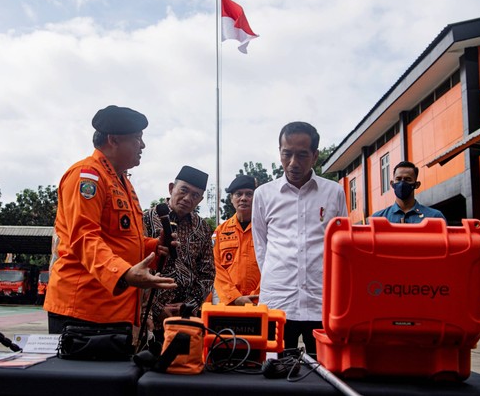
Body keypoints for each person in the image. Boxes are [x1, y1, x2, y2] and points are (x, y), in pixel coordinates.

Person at [44, 105, 176, 334]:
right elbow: (84, 237)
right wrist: (124, 273)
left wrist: (155, 248)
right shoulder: (87, 176)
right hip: (83, 310)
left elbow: (121, 240)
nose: (142, 146)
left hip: (114, 308)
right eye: (137, 138)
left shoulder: (122, 181)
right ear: (113, 140)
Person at [252, 121, 348, 357]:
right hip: (278, 301)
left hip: (321, 302)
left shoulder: (333, 192)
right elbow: (261, 244)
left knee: (324, 370)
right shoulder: (263, 194)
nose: (293, 163)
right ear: (280, 152)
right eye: (287, 154)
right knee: (276, 370)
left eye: (302, 155)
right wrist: (278, 276)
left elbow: (343, 242)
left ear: (315, 155)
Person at [143, 165, 215, 339]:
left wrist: (188, 305)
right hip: (149, 318)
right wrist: (156, 308)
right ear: (171, 188)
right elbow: (136, 267)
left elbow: (207, 273)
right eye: (184, 190)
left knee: (183, 365)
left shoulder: (203, 228)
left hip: (186, 318)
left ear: (200, 200)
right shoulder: (144, 219)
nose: (187, 198)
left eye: (195, 195)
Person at [212, 174, 260, 306]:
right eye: (238, 194)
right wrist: (234, 297)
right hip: (228, 303)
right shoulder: (220, 232)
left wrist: (257, 297)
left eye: (249, 194)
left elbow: (273, 264)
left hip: (260, 302)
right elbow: (215, 267)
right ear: (231, 199)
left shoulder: (266, 229)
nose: (243, 198)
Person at [371, 160, 446, 223]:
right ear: (392, 184)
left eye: (408, 179)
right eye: (398, 179)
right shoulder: (378, 219)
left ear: (417, 185)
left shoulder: (434, 217)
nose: (402, 183)